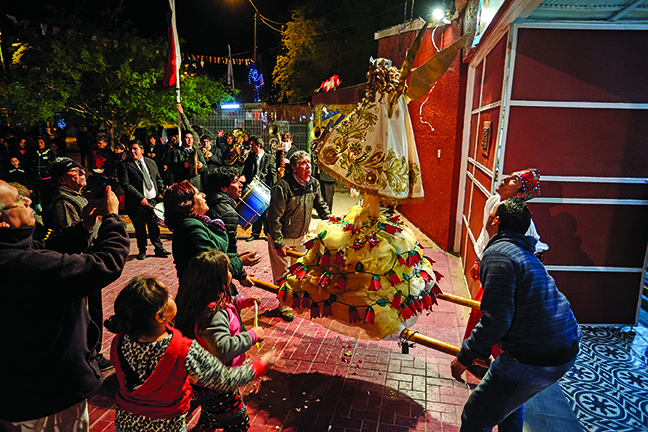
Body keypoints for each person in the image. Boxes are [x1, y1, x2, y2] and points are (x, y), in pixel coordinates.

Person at [0, 180, 130, 430]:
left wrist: (83, 227)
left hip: (20, 388)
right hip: (48, 396)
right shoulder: (25, 266)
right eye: (18, 200)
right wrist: (113, 218)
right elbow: (107, 263)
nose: (28, 201)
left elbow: (43, 248)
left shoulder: (14, 252)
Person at [450, 197, 581, 432]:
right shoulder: (523, 252)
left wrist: (465, 357)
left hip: (536, 354)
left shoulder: (499, 254)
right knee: (508, 403)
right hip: (563, 347)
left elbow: (496, 320)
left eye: (491, 214)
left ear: (496, 220)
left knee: (476, 415)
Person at [106, 276, 275, 432]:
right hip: (167, 424)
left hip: (125, 421)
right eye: (167, 298)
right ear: (160, 316)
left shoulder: (118, 342)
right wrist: (260, 365)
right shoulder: (182, 349)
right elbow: (224, 379)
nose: (172, 297)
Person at [175, 250, 264, 432]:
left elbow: (227, 303)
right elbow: (223, 347)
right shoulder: (214, 314)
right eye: (228, 270)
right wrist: (253, 335)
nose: (231, 273)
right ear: (217, 279)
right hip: (216, 381)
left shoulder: (197, 299)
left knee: (211, 415)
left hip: (200, 379)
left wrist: (241, 302)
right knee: (239, 423)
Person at [465, 169, 548, 356]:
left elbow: (525, 254)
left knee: (490, 313)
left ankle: (484, 357)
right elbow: (486, 234)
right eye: (510, 176)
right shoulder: (493, 202)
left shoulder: (522, 221)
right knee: (481, 310)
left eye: (513, 180)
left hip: (512, 273)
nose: (505, 179)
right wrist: (480, 259)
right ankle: (477, 357)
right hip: (495, 262)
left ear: (520, 194)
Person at [266, 151, 330, 321]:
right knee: (283, 274)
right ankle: (284, 306)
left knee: (298, 271)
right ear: (294, 168)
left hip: (301, 236)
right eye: (303, 163)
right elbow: (274, 217)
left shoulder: (313, 183)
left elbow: (321, 204)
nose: (308, 166)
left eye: (308, 162)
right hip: (282, 237)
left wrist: (330, 220)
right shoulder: (282, 186)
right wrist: (278, 243)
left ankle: (295, 300)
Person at [163, 180, 259, 281]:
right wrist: (240, 261)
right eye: (198, 194)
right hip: (202, 291)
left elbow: (216, 251)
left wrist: (235, 257)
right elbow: (212, 265)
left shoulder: (200, 222)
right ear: (188, 204)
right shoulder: (192, 229)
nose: (204, 195)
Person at [118, 140, 170, 260]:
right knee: (139, 227)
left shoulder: (150, 162)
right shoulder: (124, 165)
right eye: (130, 149)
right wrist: (140, 197)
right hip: (136, 203)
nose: (132, 151)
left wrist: (163, 192)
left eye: (135, 149)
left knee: (154, 226)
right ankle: (142, 250)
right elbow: (125, 184)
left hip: (152, 201)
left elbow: (157, 179)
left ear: (142, 150)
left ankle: (159, 248)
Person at [241, 136, 276, 242]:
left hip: (265, 186)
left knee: (265, 212)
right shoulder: (251, 156)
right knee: (255, 210)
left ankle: (267, 233)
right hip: (253, 186)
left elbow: (272, 173)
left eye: (253, 145)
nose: (251, 147)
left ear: (258, 146)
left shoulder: (269, 157)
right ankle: (255, 233)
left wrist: (274, 188)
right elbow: (246, 170)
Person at [44, 157, 88, 233]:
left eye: (81, 169)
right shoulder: (63, 203)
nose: (82, 173)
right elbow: (72, 237)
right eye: (74, 171)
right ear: (61, 180)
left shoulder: (73, 194)